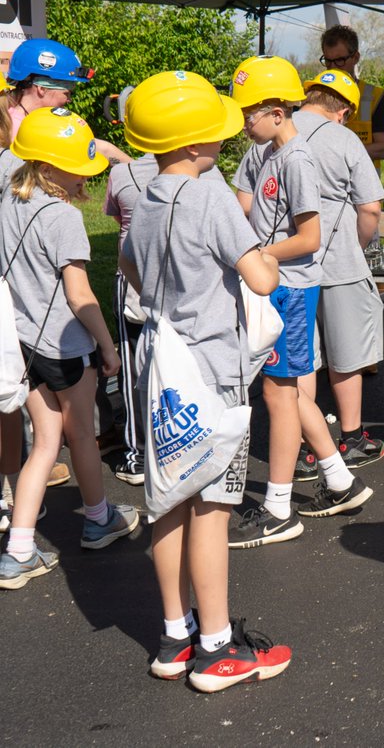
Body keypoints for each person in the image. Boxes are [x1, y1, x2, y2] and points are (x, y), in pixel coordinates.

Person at [119, 69, 291, 691]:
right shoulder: (211, 196)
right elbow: (262, 279)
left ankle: (175, 635)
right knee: (212, 508)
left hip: (161, 368)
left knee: (166, 502)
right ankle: (219, 647)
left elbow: (129, 269)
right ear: (196, 143)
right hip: (214, 371)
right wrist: (267, 256)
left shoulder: (146, 198)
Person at [229, 55, 373, 549]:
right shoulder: (270, 153)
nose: (244, 119)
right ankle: (338, 478)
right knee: (289, 392)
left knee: (279, 394)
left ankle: (278, 507)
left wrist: (255, 254)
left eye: (250, 111)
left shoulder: (295, 159)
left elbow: (309, 237)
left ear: (275, 109)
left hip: (290, 287)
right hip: (278, 285)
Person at [0, 108, 138, 590]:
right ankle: (99, 520)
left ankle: (18, 550)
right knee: (81, 436)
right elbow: (80, 295)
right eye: (81, 165)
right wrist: (108, 345)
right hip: (66, 345)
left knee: (44, 441)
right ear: (54, 166)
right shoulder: (60, 217)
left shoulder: (10, 200)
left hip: (24, 342)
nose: (87, 174)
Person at [104, 126, 226, 487]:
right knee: (185, 368)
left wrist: (145, 292)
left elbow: (119, 228)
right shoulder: (209, 173)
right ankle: (190, 442)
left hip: (144, 282)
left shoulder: (122, 174)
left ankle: (138, 451)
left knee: (136, 370)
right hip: (190, 283)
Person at [289, 70, 384, 482]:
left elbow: (246, 200)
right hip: (339, 260)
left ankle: (300, 448)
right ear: (343, 111)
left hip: (288, 263)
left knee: (301, 357)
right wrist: (357, 246)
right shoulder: (344, 139)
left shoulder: (276, 131)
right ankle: (351, 439)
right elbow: (371, 208)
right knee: (347, 353)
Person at [1, 38, 131, 164]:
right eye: (67, 93)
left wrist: (136, 171)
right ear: (42, 89)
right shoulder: (15, 129)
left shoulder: (43, 122)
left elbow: (101, 148)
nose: (69, 100)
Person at [319, 25, 384, 166]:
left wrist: (341, 154)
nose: (333, 67)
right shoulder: (316, 96)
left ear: (356, 57)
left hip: (363, 186)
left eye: (340, 60)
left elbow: (382, 148)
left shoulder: (374, 96)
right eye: (328, 61)